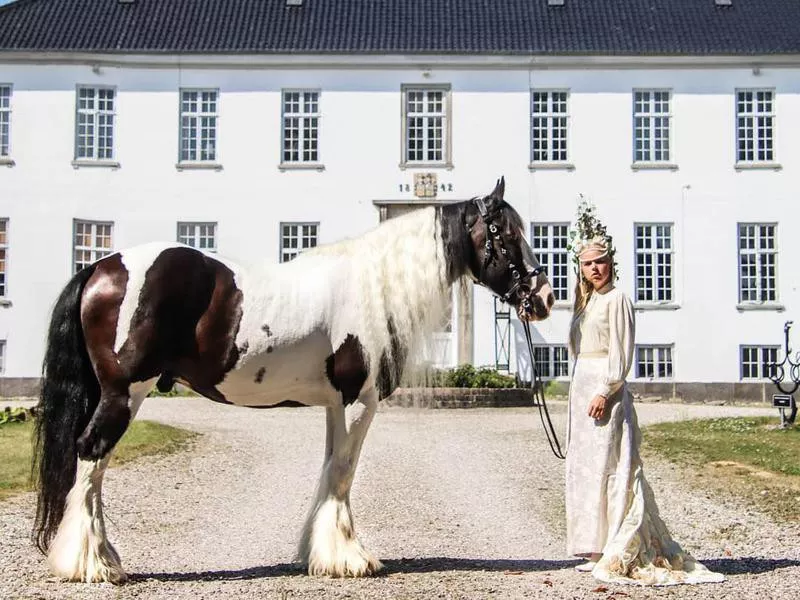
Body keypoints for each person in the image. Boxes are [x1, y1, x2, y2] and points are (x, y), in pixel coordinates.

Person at [564, 201, 724, 586]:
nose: (595, 269)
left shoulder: (618, 298)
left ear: (610, 264)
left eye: (600, 262)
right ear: (581, 268)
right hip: (581, 384)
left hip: (605, 387)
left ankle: (615, 542)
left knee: (611, 465)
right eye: (588, 264)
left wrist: (606, 388)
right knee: (585, 468)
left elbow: (621, 350)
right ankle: (592, 544)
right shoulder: (585, 301)